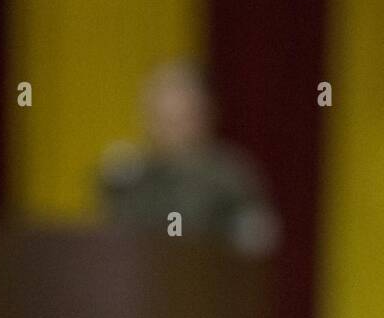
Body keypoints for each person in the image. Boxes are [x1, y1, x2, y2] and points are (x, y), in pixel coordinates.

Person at [99, 60, 277, 256]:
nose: (169, 132)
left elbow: (255, 235)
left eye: (178, 120)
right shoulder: (131, 174)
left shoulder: (228, 174)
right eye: (161, 121)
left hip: (207, 276)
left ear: (201, 115)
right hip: (142, 277)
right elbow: (115, 232)